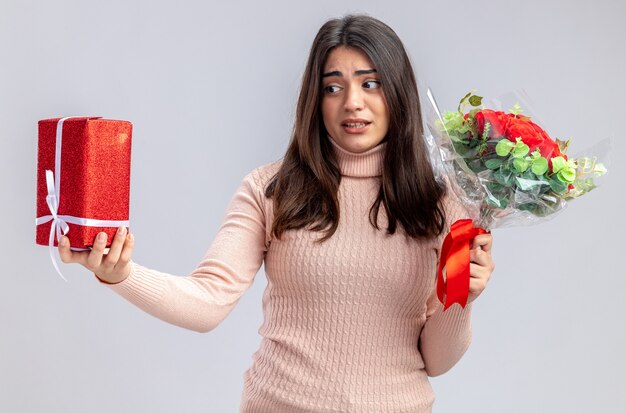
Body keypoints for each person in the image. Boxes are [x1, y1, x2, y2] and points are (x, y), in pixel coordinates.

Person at [59, 14, 494, 413]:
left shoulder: (441, 208)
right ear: (316, 99)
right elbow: (208, 302)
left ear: (398, 92)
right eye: (333, 86)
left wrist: (463, 297)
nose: (353, 103)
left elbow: (437, 360)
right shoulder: (271, 190)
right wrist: (122, 275)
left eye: (370, 83)